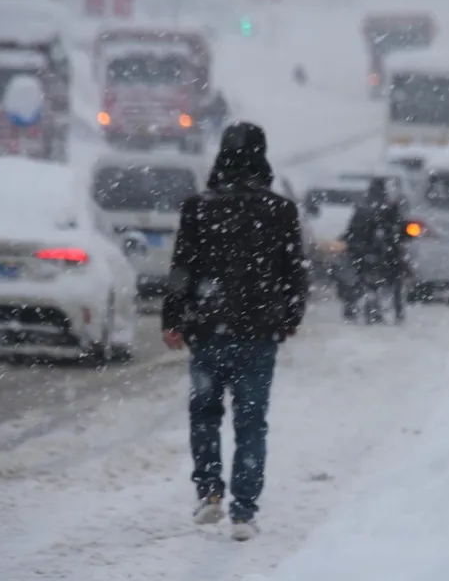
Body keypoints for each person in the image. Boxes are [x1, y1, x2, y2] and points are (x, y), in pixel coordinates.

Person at [161, 121, 307, 542]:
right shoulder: (280, 211)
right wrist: (290, 317)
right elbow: (294, 273)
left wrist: (173, 319)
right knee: (251, 422)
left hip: (207, 331)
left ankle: (209, 492)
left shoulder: (198, 208)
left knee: (205, 414)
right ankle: (244, 512)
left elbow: (181, 271)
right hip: (259, 334)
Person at [343, 178, 406, 324]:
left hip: (369, 252)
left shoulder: (366, 209)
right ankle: (396, 311)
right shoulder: (385, 209)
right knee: (393, 280)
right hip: (378, 253)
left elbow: (352, 232)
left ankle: (353, 307)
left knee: (354, 279)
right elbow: (397, 230)